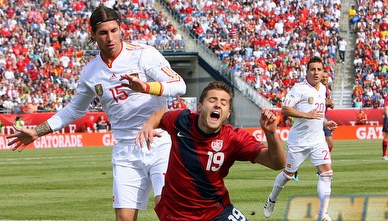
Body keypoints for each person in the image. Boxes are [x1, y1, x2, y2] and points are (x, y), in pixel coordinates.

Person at [7, 5, 186, 221]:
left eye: (114, 30)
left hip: (160, 143)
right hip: (126, 151)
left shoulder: (144, 55)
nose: (110, 37)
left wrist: (146, 87)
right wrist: (37, 132)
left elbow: (179, 85)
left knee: (167, 210)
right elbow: (75, 109)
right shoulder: (91, 72)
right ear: (93, 34)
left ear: (121, 29)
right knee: (124, 219)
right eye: (103, 32)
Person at [135, 81, 286, 221]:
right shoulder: (183, 121)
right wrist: (148, 125)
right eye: (212, 100)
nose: (218, 105)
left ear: (228, 114)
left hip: (217, 212)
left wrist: (271, 134)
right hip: (177, 215)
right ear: (199, 107)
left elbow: (277, 163)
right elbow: (161, 114)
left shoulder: (234, 139)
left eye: (223, 102)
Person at [263, 56, 337, 221]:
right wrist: (306, 115)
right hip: (299, 141)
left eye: (319, 69)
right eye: (312, 69)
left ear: (323, 71)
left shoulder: (323, 88)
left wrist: (325, 121)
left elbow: (317, 111)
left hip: (318, 140)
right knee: (288, 174)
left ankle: (322, 215)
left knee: (326, 173)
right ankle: (272, 199)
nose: (316, 73)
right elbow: (284, 109)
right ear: (307, 71)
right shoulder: (299, 88)